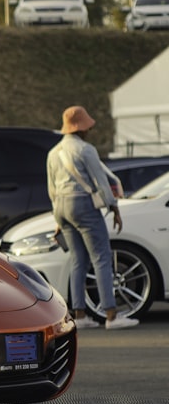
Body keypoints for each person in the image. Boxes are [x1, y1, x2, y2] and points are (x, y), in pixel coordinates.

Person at [46, 105, 138, 330]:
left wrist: (58, 220)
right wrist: (114, 206)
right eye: (87, 126)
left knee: (79, 260)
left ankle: (80, 314)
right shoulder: (86, 150)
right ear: (81, 128)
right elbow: (101, 182)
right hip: (83, 205)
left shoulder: (53, 152)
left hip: (61, 207)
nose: (89, 130)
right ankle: (111, 315)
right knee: (102, 257)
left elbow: (51, 188)